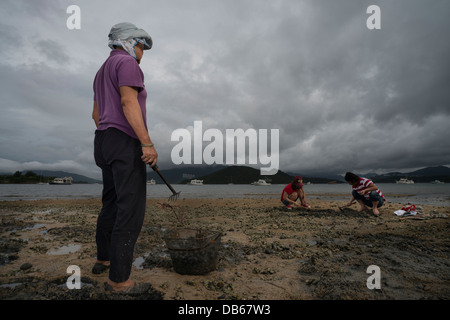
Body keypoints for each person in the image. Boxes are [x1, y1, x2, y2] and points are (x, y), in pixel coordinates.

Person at [91, 22, 157, 294]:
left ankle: (103, 259)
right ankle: (119, 281)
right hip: (123, 140)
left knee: (112, 202)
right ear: (128, 42)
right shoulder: (128, 65)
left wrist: (111, 137)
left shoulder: (100, 71)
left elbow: (96, 115)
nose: (142, 51)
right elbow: (129, 103)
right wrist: (146, 143)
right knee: (130, 210)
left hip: (103, 140)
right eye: (141, 45)